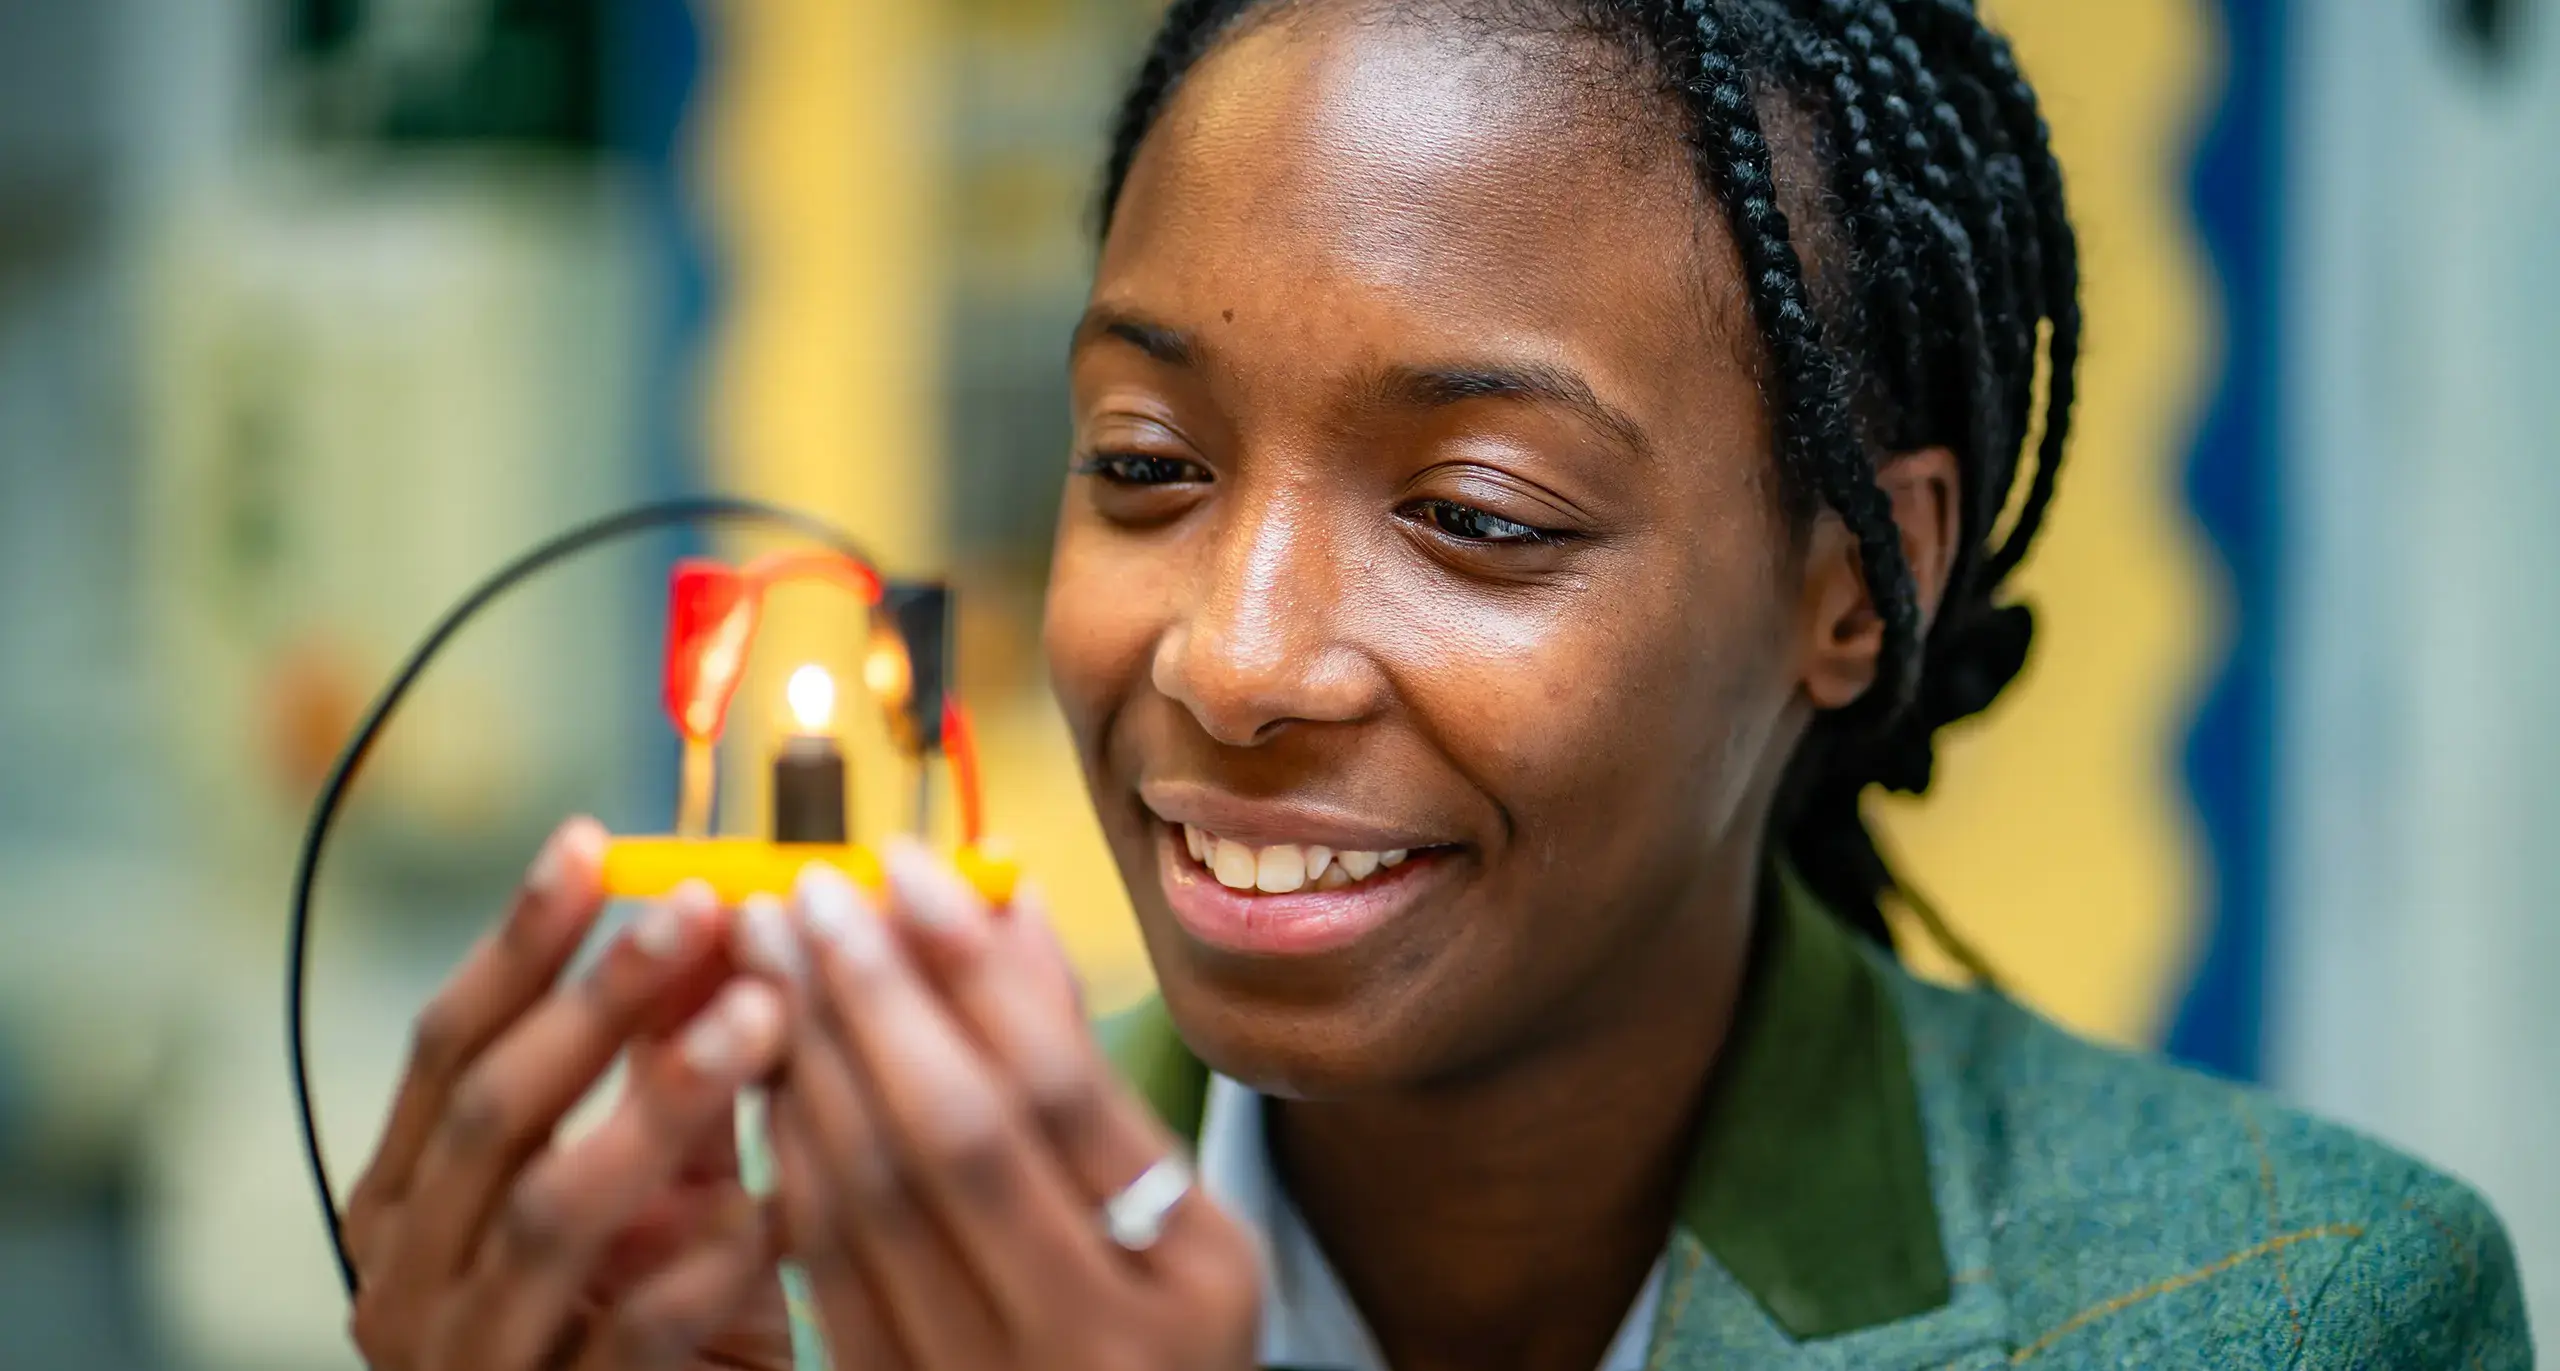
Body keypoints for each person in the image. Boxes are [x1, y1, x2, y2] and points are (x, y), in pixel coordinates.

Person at [337, 0, 2536, 1367]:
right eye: (1144, 466)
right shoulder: (772, 1310)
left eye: (1477, 511)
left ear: (1857, 585)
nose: (1237, 651)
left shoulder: (2295, 1309)